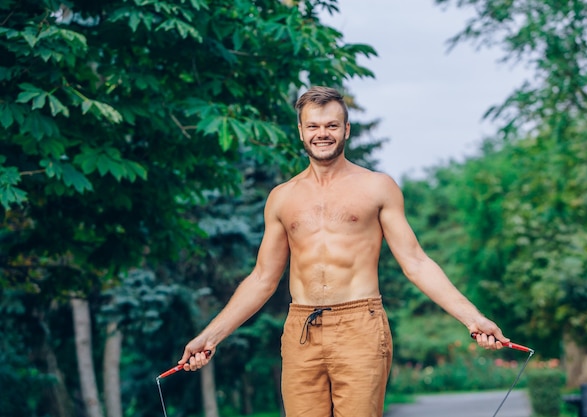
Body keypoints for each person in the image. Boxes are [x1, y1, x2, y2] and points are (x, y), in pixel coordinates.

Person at [178, 86, 509, 417]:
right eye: (313, 126)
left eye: (332, 125)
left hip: (360, 325)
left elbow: (416, 262)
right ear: (301, 131)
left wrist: (474, 319)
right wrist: (210, 336)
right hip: (301, 330)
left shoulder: (377, 187)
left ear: (346, 129)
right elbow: (263, 278)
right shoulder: (281, 197)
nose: (323, 133)